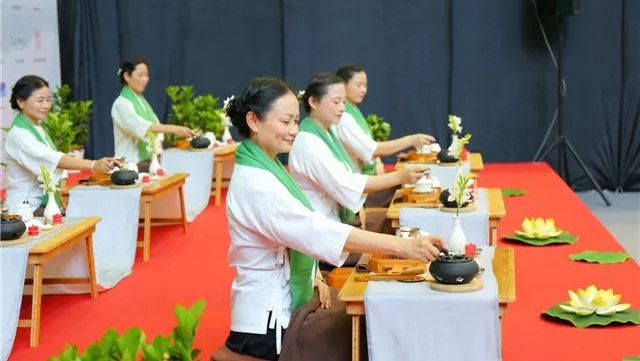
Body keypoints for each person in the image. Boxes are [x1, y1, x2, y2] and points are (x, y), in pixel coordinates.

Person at [214, 77, 445, 361]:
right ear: (254, 120)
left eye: (295, 122)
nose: (293, 131)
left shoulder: (267, 164)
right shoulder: (256, 182)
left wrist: (313, 276)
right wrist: (404, 247)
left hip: (286, 295)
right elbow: (315, 230)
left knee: (376, 315)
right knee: (371, 329)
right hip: (267, 322)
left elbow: (301, 232)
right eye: (285, 122)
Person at [288, 72, 426, 233]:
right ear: (313, 102)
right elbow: (345, 182)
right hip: (324, 230)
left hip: (339, 214)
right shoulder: (309, 143)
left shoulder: (325, 132)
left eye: (343, 102)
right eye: (336, 102)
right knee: (405, 223)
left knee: (408, 218)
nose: (342, 108)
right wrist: (399, 176)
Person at [4, 75, 118, 214]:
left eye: (48, 100)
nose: (46, 106)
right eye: (40, 101)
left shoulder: (36, 127)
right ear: (21, 102)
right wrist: (93, 164)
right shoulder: (20, 134)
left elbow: (54, 161)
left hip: (40, 204)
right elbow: (53, 159)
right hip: (27, 208)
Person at [333, 63, 437, 209]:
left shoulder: (353, 111)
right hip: (356, 185)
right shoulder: (343, 117)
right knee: (410, 193)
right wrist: (410, 140)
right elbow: (373, 150)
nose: (363, 90)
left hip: (361, 178)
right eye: (359, 85)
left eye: (365, 85)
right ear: (342, 85)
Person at [111, 58, 197, 168]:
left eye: (147, 75)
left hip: (150, 161)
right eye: (140, 75)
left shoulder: (142, 101)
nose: (145, 79)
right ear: (127, 76)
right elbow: (140, 126)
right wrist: (175, 129)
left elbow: (157, 128)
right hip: (129, 164)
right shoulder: (121, 104)